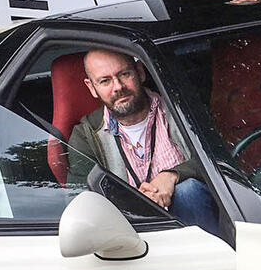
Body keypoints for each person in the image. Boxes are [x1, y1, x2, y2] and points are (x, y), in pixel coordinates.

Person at [67, 49, 217, 234]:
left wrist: (171, 176)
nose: (118, 87)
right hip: (131, 237)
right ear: (91, 87)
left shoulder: (182, 110)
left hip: (199, 224)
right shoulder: (86, 135)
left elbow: (221, 158)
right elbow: (81, 199)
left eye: (124, 74)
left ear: (140, 71)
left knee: (188, 191)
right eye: (105, 81)